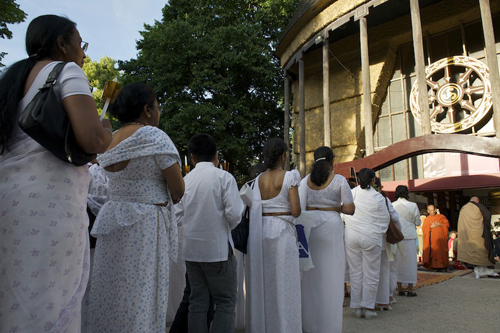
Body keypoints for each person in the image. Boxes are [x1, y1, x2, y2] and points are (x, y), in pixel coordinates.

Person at [0, 15, 112, 332]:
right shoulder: (66, 70)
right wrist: (106, 132)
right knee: (50, 300)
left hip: (10, 201)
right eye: (80, 44)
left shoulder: (13, 80)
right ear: (62, 44)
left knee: (15, 298)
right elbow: (91, 140)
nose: (84, 54)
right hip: (50, 207)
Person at [89, 83, 184, 332]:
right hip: (145, 225)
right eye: (157, 106)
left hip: (113, 219)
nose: (158, 111)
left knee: (113, 293)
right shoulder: (153, 136)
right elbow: (178, 189)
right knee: (143, 293)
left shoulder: (110, 140)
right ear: (147, 110)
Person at [176, 133, 243, 333]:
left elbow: (177, 214)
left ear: (192, 157)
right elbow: (235, 213)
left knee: (197, 302)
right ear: (216, 155)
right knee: (225, 302)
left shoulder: (185, 180)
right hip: (217, 249)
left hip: (192, 251)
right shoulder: (224, 177)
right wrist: (221, 228)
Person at [246, 138, 301, 332]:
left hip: (261, 230)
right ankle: (286, 327)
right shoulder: (289, 177)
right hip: (282, 231)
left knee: (267, 282)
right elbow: (295, 210)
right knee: (285, 282)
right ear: (284, 155)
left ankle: (267, 325)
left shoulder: (259, 179)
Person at [299, 147, 355, 333]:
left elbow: (299, 205)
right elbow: (350, 209)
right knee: (332, 275)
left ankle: (309, 324)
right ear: (332, 161)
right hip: (330, 227)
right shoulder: (339, 180)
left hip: (310, 228)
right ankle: (329, 326)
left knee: (310, 276)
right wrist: (334, 208)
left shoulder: (305, 181)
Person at [343, 168, 390, 319]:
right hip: (371, 236)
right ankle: (368, 307)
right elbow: (385, 220)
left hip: (351, 235)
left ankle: (357, 307)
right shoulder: (378, 197)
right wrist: (377, 232)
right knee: (371, 272)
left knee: (356, 273)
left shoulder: (352, 193)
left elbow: (343, 213)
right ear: (373, 180)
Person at [373, 178, 400, 311]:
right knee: (384, 268)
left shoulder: (355, 194)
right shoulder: (382, 199)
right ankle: (385, 298)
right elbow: (394, 217)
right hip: (381, 238)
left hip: (360, 237)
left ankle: (367, 301)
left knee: (365, 271)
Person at [392, 185, 421, 297]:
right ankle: (410, 289)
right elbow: (418, 222)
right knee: (410, 263)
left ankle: (399, 288)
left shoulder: (393, 205)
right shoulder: (413, 205)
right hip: (409, 236)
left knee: (397, 262)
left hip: (397, 235)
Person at [457, 197, 496, 278]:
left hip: (468, 235)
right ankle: (486, 271)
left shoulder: (463, 209)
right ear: (477, 201)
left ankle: (478, 272)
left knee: (472, 254)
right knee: (483, 252)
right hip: (479, 234)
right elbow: (487, 216)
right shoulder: (478, 206)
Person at [422, 205, 450, 271]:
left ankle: (444, 266)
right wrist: (430, 227)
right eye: (431, 210)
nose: (433, 211)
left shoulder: (441, 217)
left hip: (441, 239)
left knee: (442, 251)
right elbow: (424, 229)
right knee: (434, 252)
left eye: (434, 210)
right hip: (432, 240)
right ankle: (434, 266)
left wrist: (440, 225)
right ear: (428, 211)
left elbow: (447, 225)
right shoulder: (427, 219)